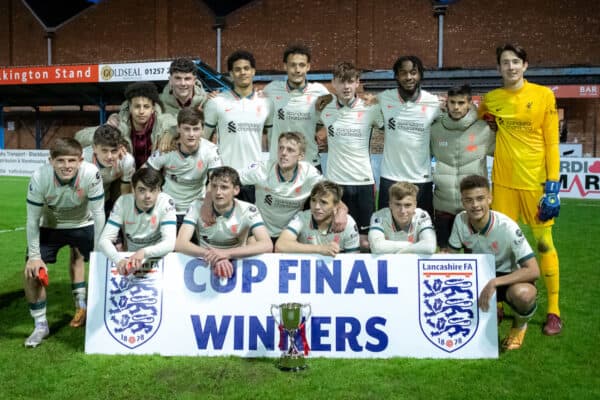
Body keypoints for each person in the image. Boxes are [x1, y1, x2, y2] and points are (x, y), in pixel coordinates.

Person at [478, 44, 562, 335]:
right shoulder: (491, 99)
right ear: (499, 67)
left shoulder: (543, 95)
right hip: (502, 183)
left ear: (525, 65)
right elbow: (482, 122)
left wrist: (553, 185)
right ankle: (499, 304)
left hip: (535, 184)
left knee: (543, 245)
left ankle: (553, 310)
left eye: (516, 62)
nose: (511, 67)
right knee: (497, 247)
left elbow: (552, 143)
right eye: (505, 62)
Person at [23, 138, 105, 347]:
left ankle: (89, 306)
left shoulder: (91, 173)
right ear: (51, 161)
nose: (66, 166)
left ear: (80, 160)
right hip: (50, 227)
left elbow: (98, 213)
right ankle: (41, 325)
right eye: (60, 161)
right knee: (32, 271)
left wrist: (99, 250)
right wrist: (34, 256)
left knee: (107, 263)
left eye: (71, 160)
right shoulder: (40, 177)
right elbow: (32, 220)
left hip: (83, 224)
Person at [448, 175, 540, 350]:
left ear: (490, 198)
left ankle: (519, 326)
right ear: (463, 202)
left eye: (480, 198)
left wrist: (495, 282)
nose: (475, 205)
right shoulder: (460, 220)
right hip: (479, 276)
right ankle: (492, 311)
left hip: (509, 277)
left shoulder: (507, 227)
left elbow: (534, 270)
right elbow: (452, 255)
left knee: (524, 295)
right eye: (469, 200)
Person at [316, 62, 383, 250]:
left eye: (350, 82)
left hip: (363, 182)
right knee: (335, 236)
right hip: (335, 183)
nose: (346, 87)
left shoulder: (371, 109)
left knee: (365, 241)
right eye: (341, 82)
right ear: (333, 84)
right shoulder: (325, 109)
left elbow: (390, 126)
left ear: (357, 83)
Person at [175, 166, 273, 279]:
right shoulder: (197, 206)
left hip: (237, 262)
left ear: (236, 190)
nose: (218, 192)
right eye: (214, 186)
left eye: (224, 187)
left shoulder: (248, 210)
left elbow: (267, 245)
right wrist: (215, 256)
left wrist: (227, 254)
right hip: (204, 262)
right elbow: (180, 244)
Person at [203, 50, 273, 203]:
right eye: (237, 69)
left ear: (253, 71)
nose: (243, 72)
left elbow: (272, 140)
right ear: (230, 74)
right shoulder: (217, 102)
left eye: (246, 68)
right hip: (225, 180)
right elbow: (204, 141)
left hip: (254, 180)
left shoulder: (266, 103)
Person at [430, 84, 494, 251]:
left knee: (476, 257)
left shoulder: (484, 129)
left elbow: (505, 152)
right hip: (443, 205)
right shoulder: (435, 129)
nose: (456, 107)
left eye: (461, 102)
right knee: (444, 255)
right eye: (452, 102)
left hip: (474, 208)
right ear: (446, 103)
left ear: (469, 103)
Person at [377, 55, 442, 215]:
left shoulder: (433, 102)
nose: (408, 77)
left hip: (421, 178)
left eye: (413, 72)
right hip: (390, 176)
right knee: (387, 226)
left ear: (420, 75)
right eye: (403, 73)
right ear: (396, 76)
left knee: (422, 228)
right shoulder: (384, 98)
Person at [147, 108, 222, 229]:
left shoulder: (210, 150)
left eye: (196, 129)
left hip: (198, 207)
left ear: (202, 130)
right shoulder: (167, 148)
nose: (191, 134)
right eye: (186, 129)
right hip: (168, 209)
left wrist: (207, 205)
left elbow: (215, 181)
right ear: (178, 129)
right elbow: (144, 174)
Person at [98, 168, 177, 275]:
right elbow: (104, 240)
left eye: (153, 190)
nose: (148, 196)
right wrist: (118, 260)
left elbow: (169, 243)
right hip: (130, 258)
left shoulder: (166, 202)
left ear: (159, 190)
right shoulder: (123, 202)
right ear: (133, 190)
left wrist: (144, 252)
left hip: (158, 256)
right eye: (142, 190)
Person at [263, 44, 330, 169]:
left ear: (308, 67)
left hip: (310, 163)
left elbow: (338, 115)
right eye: (293, 65)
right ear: (285, 66)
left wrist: (325, 136)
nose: (297, 70)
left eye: (302, 65)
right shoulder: (271, 90)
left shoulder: (320, 92)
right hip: (279, 164)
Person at [275, 181, 360, 255]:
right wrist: (320, 249)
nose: (316, 207)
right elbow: (280, 245)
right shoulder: (302, 217)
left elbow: (353, 261)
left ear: (336, 206)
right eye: (313, 200)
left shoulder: (348, 223)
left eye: (323, 202)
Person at [368, 182, 436, 254]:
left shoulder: (421, 216)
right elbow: (376, 247)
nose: (403, 211)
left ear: (415, 205)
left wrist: (402, 250)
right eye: (398, 204)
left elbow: (430, 246)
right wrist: (411, 245)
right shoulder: (379, 216)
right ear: (390, 204)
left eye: (407, 205)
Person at [82, 124, 135, 216]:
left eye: (114, 151)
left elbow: (125, 191)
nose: (109, 156)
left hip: (106, 198)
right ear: (94, 148)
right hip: (84, 200)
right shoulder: (82, 160)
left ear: (121, 147)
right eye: (104, 151)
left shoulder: (126, 160)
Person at [121, 81, 177, 168]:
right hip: (127, 175)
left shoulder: (162, 121)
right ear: (130, 107)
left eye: (146, 106)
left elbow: (181, 124)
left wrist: (172, 131)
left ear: (153, 108)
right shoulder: (120, 125)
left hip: (155, 174)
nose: (141, 111)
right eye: (137, 106)